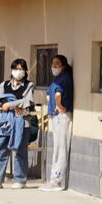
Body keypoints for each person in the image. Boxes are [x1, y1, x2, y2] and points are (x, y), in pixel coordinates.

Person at [0, 64, 35, 188]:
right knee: (2, 151)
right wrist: (10, 106)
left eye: (21, 69)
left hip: (22, 121)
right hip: (5, 122)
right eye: (16, 69)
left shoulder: (29, 85)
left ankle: (20, 180)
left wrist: (10, 105)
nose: (18, 71)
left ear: (25, 71)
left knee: (20, 151)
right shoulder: (4, 85)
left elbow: (27, 102)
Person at [43, 53, 74, 191]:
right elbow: (49, 93)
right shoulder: (57, 79)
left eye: (57, 64)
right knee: (57, 148)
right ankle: (52, 180)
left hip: (62, 116)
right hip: (55, 115)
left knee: (61, 148)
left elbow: (57, 94)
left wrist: (59, 105)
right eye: (52, 63)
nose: (54, 66)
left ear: (64, 66)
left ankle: (57, 181)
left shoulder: (64, 78)